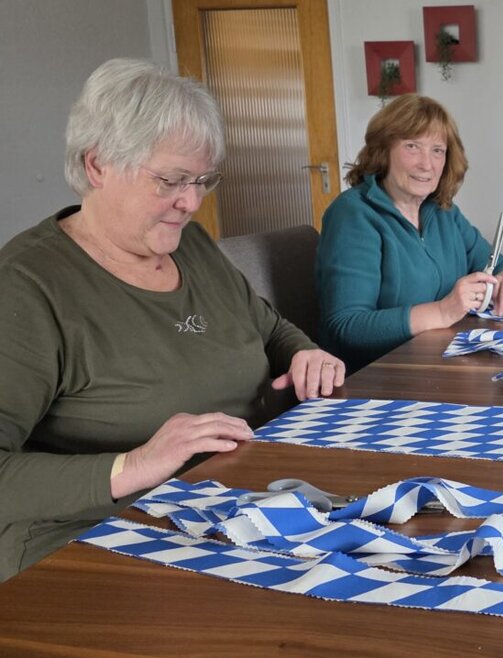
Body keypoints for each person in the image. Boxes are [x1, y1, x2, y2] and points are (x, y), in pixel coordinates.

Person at [0, 58, 346, 582]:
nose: (191, 202)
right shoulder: (27, 286)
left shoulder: (194, 248)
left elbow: (269, 328)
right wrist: (135, 464)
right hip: (94, 536)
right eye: (170, 180)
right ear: (97, 166)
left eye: (202, 180)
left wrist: (303, 353)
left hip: (231, 503)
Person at [316, 94, 503, 371]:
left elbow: (494, 261)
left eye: (437, 150)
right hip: (377, 378)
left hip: (439, 363)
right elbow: (346, 327)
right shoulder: (353, 215)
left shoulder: (443, 211)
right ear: (383, 151)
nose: (426, 164)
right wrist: (443, 311)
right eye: (412, 146)